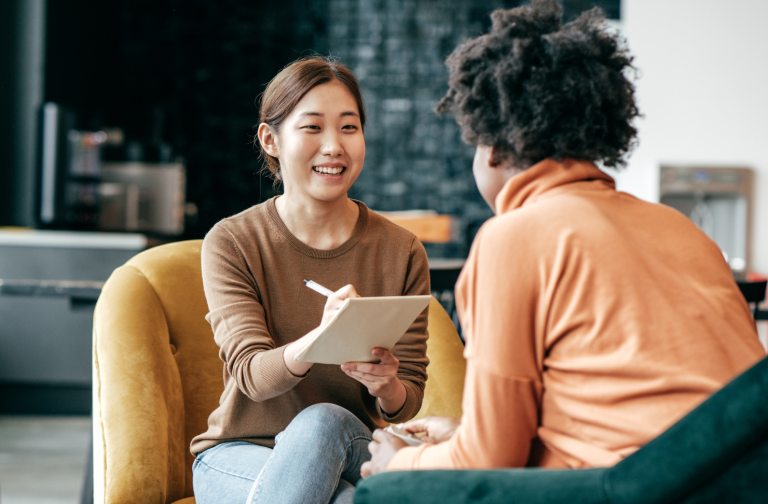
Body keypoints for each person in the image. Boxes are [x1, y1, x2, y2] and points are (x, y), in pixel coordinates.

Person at [362, 0, 765, 476]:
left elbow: (492, 460)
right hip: (743, 476)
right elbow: (613, 406)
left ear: (491, 149)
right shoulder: (678, 226)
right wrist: (460, 432)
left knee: (392, 490)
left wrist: (401, 464)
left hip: (644, 486)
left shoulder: (511, 238)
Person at [190, 57, 430, 504]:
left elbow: (407, 398)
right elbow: (252, 376)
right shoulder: (232, 241)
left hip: (349, 444)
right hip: (238, 455)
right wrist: (325, 337)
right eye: (313, 127)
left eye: (349, 127)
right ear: (271, 139)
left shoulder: (401, 250)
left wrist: (386, 385)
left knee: (324, 420)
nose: (334, 146)